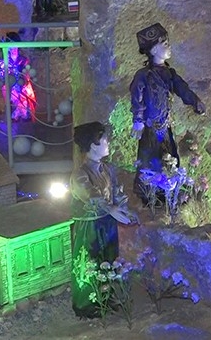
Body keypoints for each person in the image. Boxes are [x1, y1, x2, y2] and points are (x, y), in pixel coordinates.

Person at [130, 23, 206, 207]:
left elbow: (182, 88)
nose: (169, 46)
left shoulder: (170, 74)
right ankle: (150, 195)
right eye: (164, 44)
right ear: (154, 50)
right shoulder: (143, 75)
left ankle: (169, 193)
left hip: (165, 126)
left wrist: (195, 101)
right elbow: (136, 96)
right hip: (150, 127)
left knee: (171, 157)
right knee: (150, 159)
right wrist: (138, 120)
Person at [69, 121, 135, 318]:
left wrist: (125, 209)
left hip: (107, 223)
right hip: (90, 226)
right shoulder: (80, 174)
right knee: (90, 261)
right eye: (104, 140)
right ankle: (87, 303)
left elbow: (115, 192)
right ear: (93, 145)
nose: (108, 143)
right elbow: (90, 195)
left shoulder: (106, 169)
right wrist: (111, 208)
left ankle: (106, 296)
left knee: (109, 258)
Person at [0, 32, 37, 120]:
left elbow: (27, 76)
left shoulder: (23, 60)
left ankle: (24, 112)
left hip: (23, 86)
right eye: (10, 45)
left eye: (14, 45)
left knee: (25, 90)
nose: (12, 48)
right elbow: (1, 77)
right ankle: (14, 113)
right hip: (10, 88)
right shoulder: (3, 61)